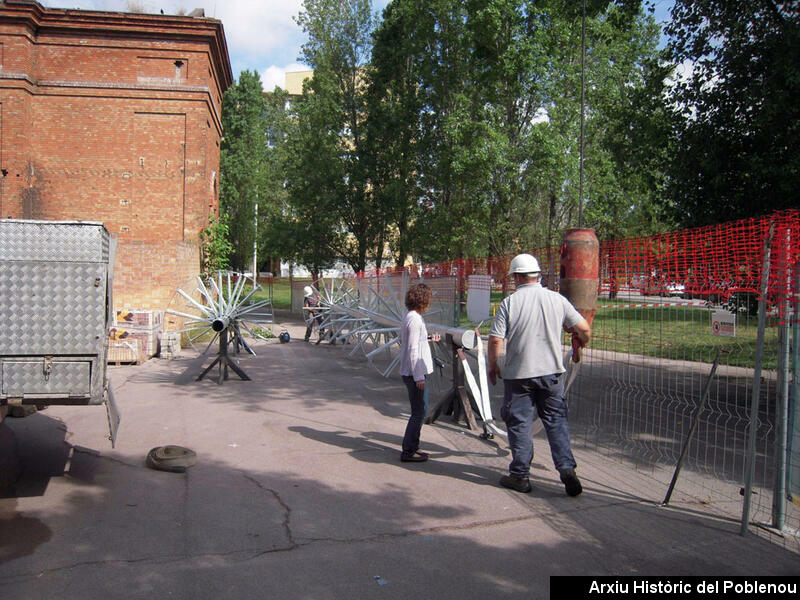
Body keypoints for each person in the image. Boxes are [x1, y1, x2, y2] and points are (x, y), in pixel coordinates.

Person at [488, 253, 591, 496]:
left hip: (519, 375)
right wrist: (581, 344)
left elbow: (495, 340)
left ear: (517, 276)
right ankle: (566, 468)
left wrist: (492, 366)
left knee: (520, 423)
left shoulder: (509, 303)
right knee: (556, 421)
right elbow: (584, 329)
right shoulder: (557, 300)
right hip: (552, 373)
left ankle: (520, 476)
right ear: (537, 275)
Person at [398, 283, 440, 462]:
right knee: (418, 412)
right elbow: (413, 349)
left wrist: (428, 338)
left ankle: (413, 446)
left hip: (413, 371)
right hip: (415, 373)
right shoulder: (415, 319)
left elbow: (406, 340)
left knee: (419, 411)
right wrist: (419, 376)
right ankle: (408, 451)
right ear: (423, 300)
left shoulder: (410, 316)